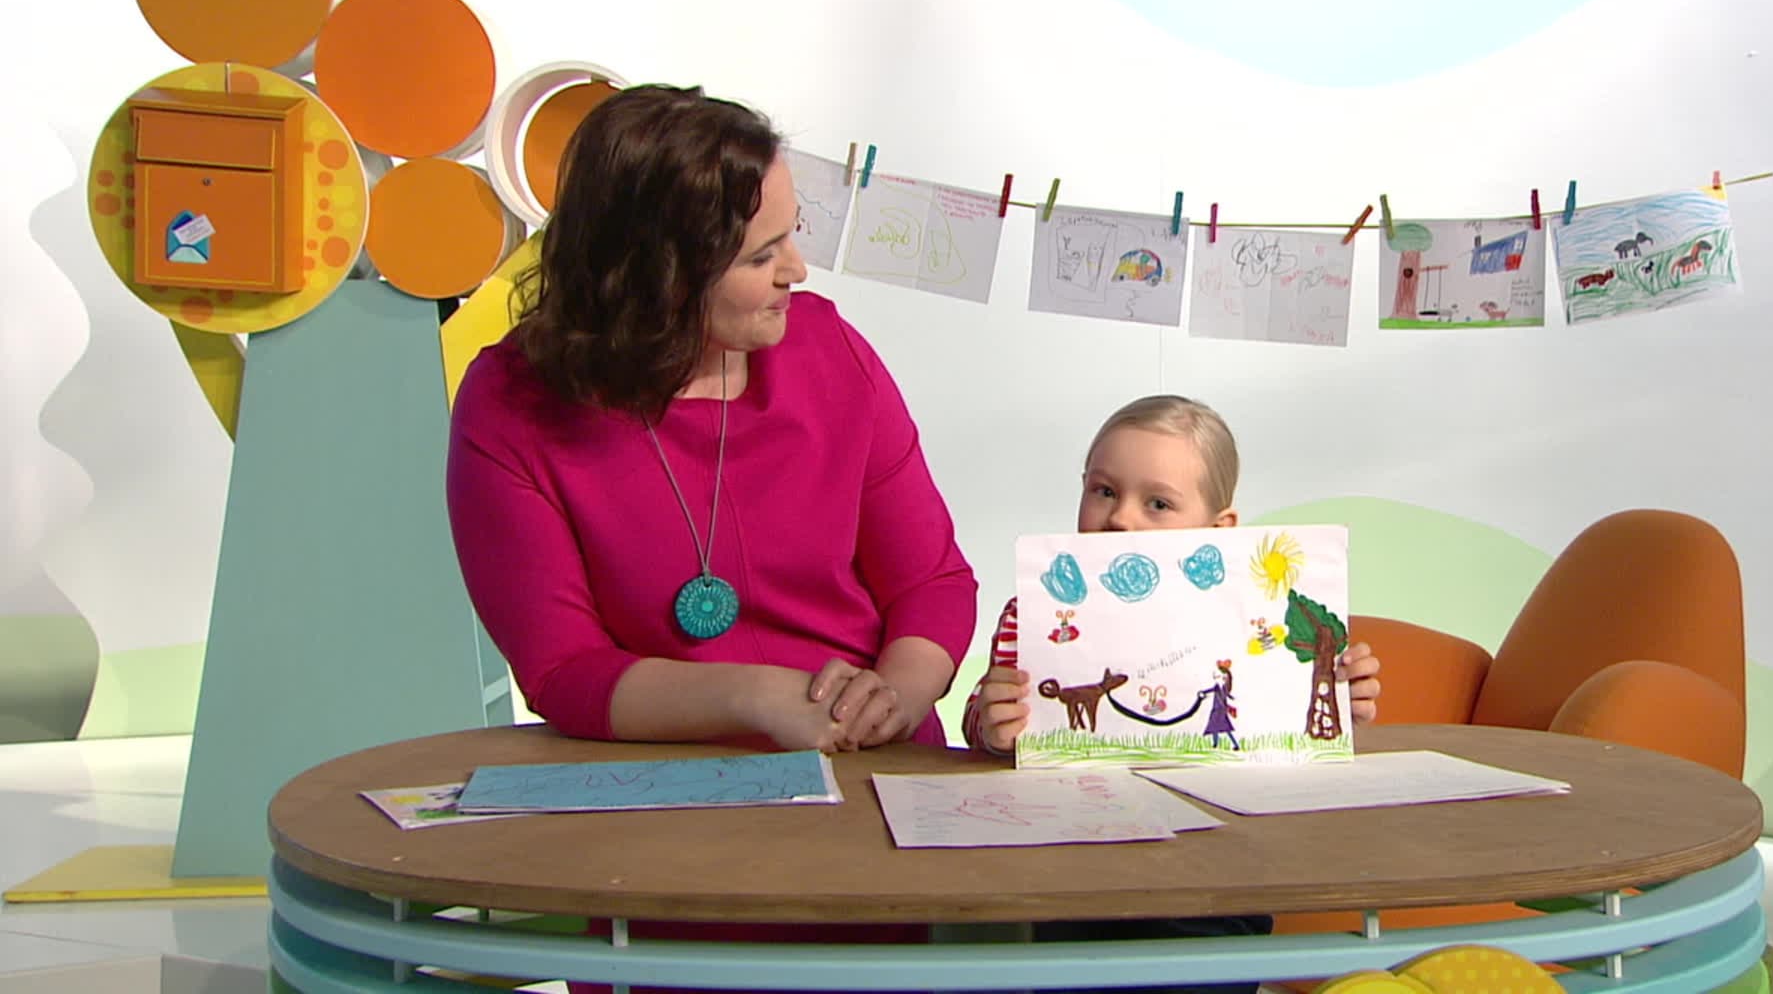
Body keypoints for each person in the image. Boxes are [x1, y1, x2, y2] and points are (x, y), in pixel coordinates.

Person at [445, 83, 977, 993]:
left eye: (792, 236)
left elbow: (931, 582)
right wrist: (759, 699)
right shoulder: (511, 405)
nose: (798, 270)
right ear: (657, 272)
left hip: (876, 793)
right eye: (762, 254)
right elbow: (564, 670)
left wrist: (896, 693)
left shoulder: (831, 352)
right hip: (666, 820)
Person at [960, 394, 1384, 994]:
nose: (1120, 518)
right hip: (1073, 884)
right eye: (1104, 491)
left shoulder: (1255, 622)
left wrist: (1346, 697)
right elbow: (984, 732)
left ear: (1219, 530)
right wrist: (991, 724)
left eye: (1157, 503)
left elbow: (1294, 724)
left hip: (1214, 886)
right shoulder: (1035, 614)